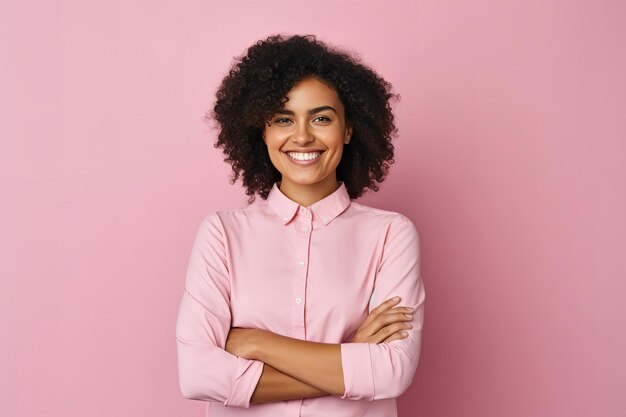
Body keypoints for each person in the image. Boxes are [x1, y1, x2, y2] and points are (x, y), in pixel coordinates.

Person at [175, 33, 426, 417]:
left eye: (321, 118)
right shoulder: (222, 234)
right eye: (283, 119)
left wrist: (258, 344)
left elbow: (392, 372)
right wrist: (351, 356)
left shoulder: (391, 235)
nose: (303, 135)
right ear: (263, 131)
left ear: (348, 129)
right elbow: (197, 374)